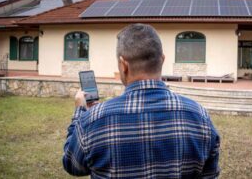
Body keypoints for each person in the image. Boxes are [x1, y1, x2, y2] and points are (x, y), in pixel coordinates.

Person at [62, 23, 220, 178]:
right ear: (162, 60)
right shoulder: (200, 117)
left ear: (124, 65)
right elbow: (210, 174)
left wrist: (80, 113)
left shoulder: (93, 120)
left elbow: (72, 165)